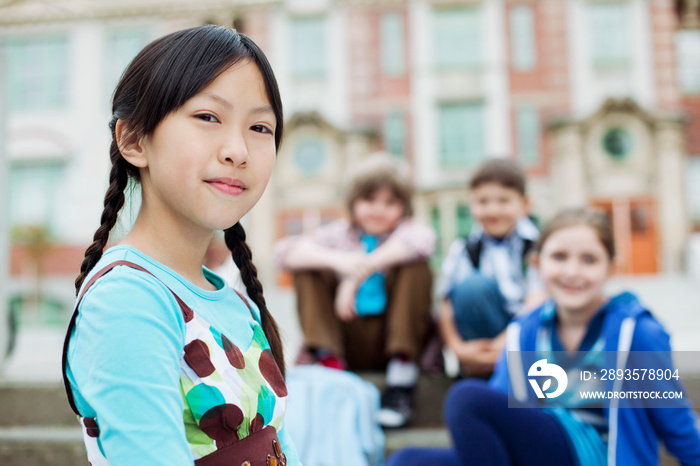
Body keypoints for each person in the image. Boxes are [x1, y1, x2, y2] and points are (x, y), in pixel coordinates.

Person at [61, 25, 299, 465]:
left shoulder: (236, 303)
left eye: (261, 127)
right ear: (133, 140)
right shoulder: (126, 301)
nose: (238, 150)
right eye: (208, 117)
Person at [388, 207, 700, 466]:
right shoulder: (526, 330)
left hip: (594, 455)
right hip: (538, 447)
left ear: (611, 268)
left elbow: (675, 422)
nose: (572, 271)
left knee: (466, 398)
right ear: (537, 264)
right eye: (560, 257)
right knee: (407, 460)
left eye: (589, 260)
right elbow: (503, 409)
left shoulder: (637, 333)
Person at [274, 154, 436, 428]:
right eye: (369, 200)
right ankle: (330, 363)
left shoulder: (407, 232)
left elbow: (423, 242)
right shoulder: (337, 235)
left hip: (394, 338)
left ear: (404, 208)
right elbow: (283, 252)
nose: (378, 210)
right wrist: (340, 261)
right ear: (353, 203)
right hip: (348, 336)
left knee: (414, 265)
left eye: (390, 203)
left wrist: (355, 277)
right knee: (309, 266)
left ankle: (401, 378)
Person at [439, 158, 547, 377]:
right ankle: (479, 371)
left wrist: (506, 342)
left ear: (525, 204)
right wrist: (458, 348)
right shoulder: (462, 249)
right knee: (472, 288)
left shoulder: (539, 246)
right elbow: (446, 304)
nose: (493, 210)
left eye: (503, 201)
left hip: (525, 337)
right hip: (481, 340)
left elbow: (537, 302)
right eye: (483, 201)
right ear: (471, 205)